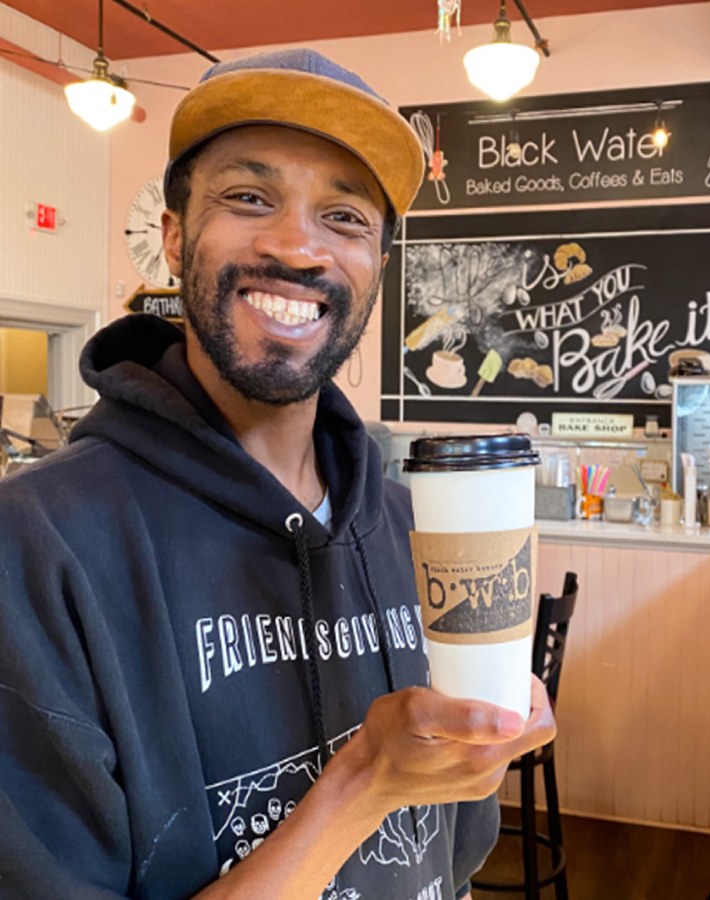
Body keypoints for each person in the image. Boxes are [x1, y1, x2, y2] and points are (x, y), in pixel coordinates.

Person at [0, 49, 555, 900]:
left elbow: (450, 855)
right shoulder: (38, 545)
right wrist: (364, 783)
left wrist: (483, 741)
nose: (297, 246)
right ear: (176, 237)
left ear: (376, 269)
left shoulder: (408, 524)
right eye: (249, 198)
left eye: (345, 218)